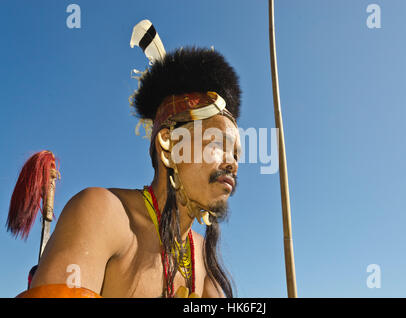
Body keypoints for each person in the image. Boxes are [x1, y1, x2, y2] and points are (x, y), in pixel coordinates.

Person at [21, 44, 242, 298]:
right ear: (168, 145)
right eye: (216, 143)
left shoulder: (202, 258)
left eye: (236, 154)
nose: (232, 163)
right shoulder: (102, 214)